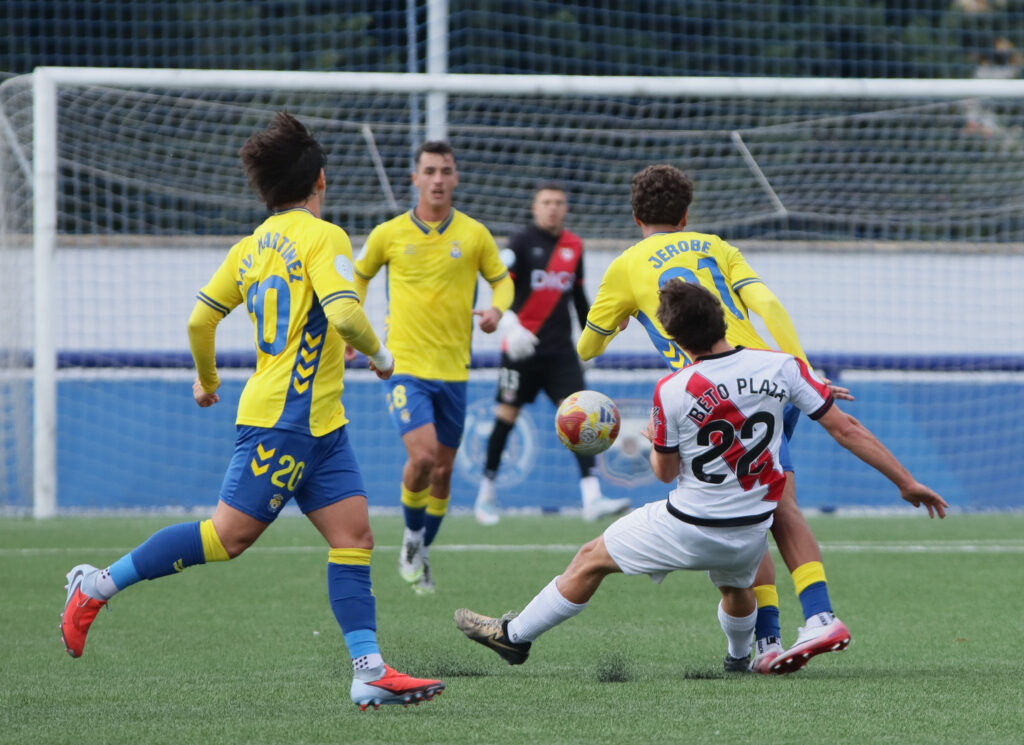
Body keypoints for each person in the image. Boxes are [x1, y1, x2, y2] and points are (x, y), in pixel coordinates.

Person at [59, 112, 444, 710]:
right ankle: (96, 585)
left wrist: (208, 381)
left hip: (322, 425)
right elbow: (345, 315)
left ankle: (368, 671)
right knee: (227, 537)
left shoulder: (250, 247)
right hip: (283, 421)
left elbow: (200, 318)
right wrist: (384, 355)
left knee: (353, 537)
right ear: (319, 181)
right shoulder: (325, 236)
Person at [455, 281, 947, 673]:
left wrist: (653, 439)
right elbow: (847, 427)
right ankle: (740, 658)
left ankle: (513, 637)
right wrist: (905, 481)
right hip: (750, 531)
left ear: (673, 339)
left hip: (687, 525)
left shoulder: (671, 390)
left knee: (590, 559)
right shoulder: (783, 367)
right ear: (725, 318)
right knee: (736, 589)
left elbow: (665, 471)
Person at [575, 164, 857, 673]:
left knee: (760, 512)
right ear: (686, 214)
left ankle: (799, 626)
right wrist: (805, 368)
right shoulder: (714, 245)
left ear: (636, 215)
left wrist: (623, 316)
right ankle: (788, 632)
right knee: (766, 506)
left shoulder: (624, 266)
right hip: (770, 375)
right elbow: (765, 301)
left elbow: (588, 347)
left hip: (711, 393)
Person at [351, 141, 514, 594]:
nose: (438, 179)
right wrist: (355, 331)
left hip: (454, 371)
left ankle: (420, 549)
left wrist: (497, 312)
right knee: (422, 458)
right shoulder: (388, 234)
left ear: (456, 178)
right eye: (430, 171)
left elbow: (503, 283)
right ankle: (410, 538)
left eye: (446, 171)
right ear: (415, 179)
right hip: (403, 366)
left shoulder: (474, 235)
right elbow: (359, 277)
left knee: (443, 471)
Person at [473, 182, 630, 525]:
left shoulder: (574, 246)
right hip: (520, 349)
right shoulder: (520, 243)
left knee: (583, 417)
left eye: (559, 202)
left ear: (566, 208)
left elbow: (578, 298)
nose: (553, 208)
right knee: (505, 417)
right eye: (546, 202)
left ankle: (592, 498)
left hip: (561, 352)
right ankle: (485, 494)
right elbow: (501, 285)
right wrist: (510, 325)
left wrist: (599, 328)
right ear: (535, 207)